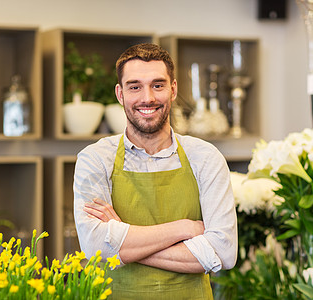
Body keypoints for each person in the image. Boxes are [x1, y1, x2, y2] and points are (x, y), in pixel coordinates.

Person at [73, 43, 237, 299]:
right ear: (120, 94)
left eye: (157, 85)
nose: (147, 98)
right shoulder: (95, 159)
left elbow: (223, 252)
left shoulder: (205, 158)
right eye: (135, 86)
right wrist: (184, 228)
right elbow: (95, 247)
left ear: (173, 90)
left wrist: (121, 237)